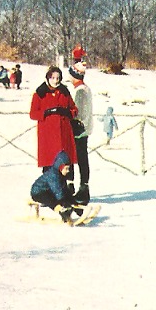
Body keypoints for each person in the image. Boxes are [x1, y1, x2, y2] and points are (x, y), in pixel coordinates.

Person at [29, 66, 78, 172]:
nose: (55, 81)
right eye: (53, 78)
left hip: (64, 133)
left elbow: (74, 109)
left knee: (65, 163)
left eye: (58, 78)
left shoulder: (64, 92)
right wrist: (46, 112)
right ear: (47, 78)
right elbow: (33, 114)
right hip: (48, 134)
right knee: (49, 163)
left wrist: (67, 112)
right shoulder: (39, 93)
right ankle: (47, 187)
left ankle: (67, 187)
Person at [30, 150, 78, 223]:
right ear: (60, 168)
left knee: (59, 198)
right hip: (38, 192)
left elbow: (63, 189)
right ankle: (63, 212)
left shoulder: (61, 175)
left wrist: (73, 201)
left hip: (47, 190)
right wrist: (62, 201)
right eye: (66, 169)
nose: (68, 171)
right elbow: (57, 189)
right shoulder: (53, 175)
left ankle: (65, 213)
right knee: (52, 200)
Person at [69, 64, 93, 205]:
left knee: (78, 158)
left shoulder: (80, 91)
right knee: (81, 158)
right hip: (84, 128)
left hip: (79, 130)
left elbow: (78, 111)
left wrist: (74, 123)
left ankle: (81, 189)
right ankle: (82, 187)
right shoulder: (84, 89)